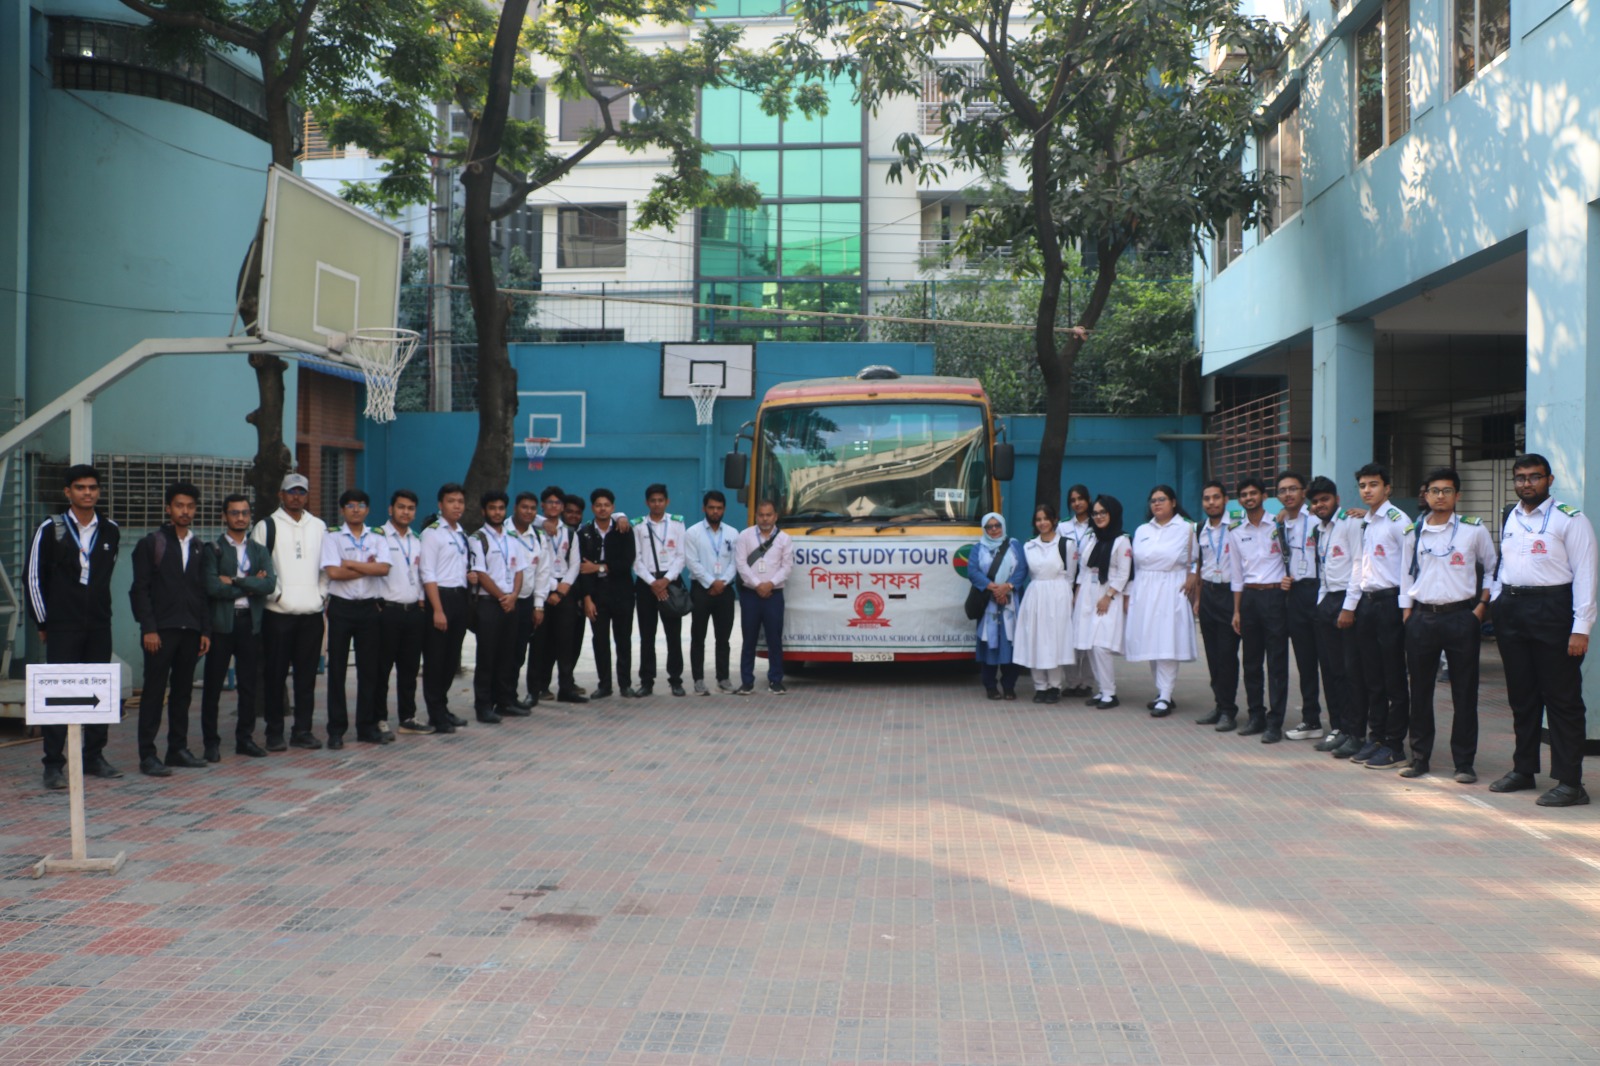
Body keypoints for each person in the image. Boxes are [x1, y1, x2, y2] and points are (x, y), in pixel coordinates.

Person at [1490, 453, 1597, 806]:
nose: (1527, 483)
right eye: (1520, 477)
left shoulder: (1571, 519)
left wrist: (1581, 628)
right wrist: (1497, 601)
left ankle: (1570, 783)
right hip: (1512, 610)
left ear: (1549, 480)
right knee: (1522, 697)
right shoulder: (1511, 516)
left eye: (1534, 477)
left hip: (1553, 611)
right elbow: (1503, 563)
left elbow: (1585, 575)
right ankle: (1523, 770)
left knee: (1562, 699)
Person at [25, 464, 123, 790]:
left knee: (99, 689)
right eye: (80, 487)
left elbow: (104, 575)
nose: (87, 492)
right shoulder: (50, 528)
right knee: (58, 692)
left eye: (92, 487)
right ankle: (53, 764)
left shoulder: (110, 529)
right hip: (62, 625)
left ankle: (94, 756)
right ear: (68, 492)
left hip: (98, 625)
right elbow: (33, 577)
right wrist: (44, 621)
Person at [1397, 467, 1497, 783]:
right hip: (1422, 618)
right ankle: (1420, 757)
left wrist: (1481, 608)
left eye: (1447, 490)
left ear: (1457, 495)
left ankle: (1464, 763)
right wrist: (1407, 613)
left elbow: (1493, 568)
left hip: (1461, 618)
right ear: (1425, 495)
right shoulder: (1413, 532)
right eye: (1435, 490)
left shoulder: (1473, 530)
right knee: (1420, 691)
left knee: (1464, 692)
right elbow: (1405, 574)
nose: (1440, 496)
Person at [129, 481, 213, 777]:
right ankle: (148, 755)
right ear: (168, 508)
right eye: (179, 505)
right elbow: (139, 590)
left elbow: (202, 592)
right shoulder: (152, 544)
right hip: (161, 632)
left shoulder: (200, 547)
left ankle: (177, 749)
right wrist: (148, 628)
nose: (185, 511)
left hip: (191, 631)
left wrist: (205, 631)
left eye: (190, 506)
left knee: (182, 693)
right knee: (154, 692)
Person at [1340, 463, 1410, 768]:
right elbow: (1359, 565)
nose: (1367, 490)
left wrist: (1406, 608)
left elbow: (1410, 567)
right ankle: (1377, 737)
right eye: (1363, 485)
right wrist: (1351, 604)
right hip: (1368, 604)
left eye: (1374, 484)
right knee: (1372, 678)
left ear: (1387, 488)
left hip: (1391, 603)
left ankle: (1395, 745)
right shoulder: (1366, 522)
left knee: (1393, 678)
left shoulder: (1397, 521)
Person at [254, 472, 328, 751]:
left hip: (311, 613)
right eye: (291, 491)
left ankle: (302, 730)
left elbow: (327, 568)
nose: (296, 497)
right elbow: (258, 568)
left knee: (306, 678)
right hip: (278, 614)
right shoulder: (266, 526)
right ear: (281, 495)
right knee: (275, 676)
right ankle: (274, 732)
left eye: (301, 492)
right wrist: (278, 595)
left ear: (307, 495)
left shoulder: (319, 526)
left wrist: (320, 595)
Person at [200, 494, 276, 760]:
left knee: (248, 685)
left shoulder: (259, 550)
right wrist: (251, 584)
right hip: (222, 625)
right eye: (234, 512)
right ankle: (211, 743)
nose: (240, 517)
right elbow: (212, 587)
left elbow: (269, 585)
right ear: (224, 516)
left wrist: (234, 580)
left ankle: (245, 739)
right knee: (212, 687)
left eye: (244, 513)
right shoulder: (213, 549)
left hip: (250, 624)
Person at [320, 489, 392, 748]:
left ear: (368, 510)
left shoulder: (377, 536)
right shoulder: (332, 536)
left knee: (369, 670)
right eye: (350, 505)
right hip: (341, 609)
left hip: (370, 609)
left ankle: (366, 727)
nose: (356, 510)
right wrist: (367, 568)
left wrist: (350, 563)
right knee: (337, 670)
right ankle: (336, 730)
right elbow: (333, 573)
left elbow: (383, 568)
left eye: (361, 505)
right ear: (342, 510)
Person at [1125, 485, 1197, 717]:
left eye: (1162, 499)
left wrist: (1192, 576)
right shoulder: (1143, 530)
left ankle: (1165, 695)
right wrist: (1131, 593)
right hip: (1145, 589)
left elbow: (1198, 559)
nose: (1157, 503)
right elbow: (1135, 565)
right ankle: (1161, 691)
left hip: (1171, 588)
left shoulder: (1187, 528)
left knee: (1167, 642)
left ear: (1173, 502)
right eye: (1153, 500)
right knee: (1152, 644)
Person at [1228, 477, 1289, 742]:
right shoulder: (1235, 531)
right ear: (1239, 500)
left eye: (1253, 493)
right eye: (1244, 495)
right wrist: (1237, 611)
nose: (1249, 498)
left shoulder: (1280, 523)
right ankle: (1256, 716)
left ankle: (1275, 722)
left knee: (1276, 662)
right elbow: (1236, 574)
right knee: (1251, 662)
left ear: (1264, 496)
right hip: (1250, 598)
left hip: (1275, 597)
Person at [469, 490, 539, 722]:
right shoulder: (478, 538)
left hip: (511, 603)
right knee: (487, 656)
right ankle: (483, 705)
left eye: (500, 508)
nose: (497, 512)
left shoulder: (511, 538)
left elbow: (520, 570)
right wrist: (502, 597)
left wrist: (514, 596)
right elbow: (481, 573)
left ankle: (504, 701)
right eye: (492, 508)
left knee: (507, 656)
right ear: (484, 511)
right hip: (489, 604)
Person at [1306, 477, 1360, 755]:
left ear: (1336, 499)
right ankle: (1338, 726)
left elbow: (1359, 565)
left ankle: (1354, 730)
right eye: (1315, 502)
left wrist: (1348, 607)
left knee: (1349, 671)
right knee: (1330, 669)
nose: (1320, 505)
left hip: (1347, 602)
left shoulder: (1351, 524)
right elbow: (1324, 568)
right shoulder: (1320, 530)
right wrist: (1321, 603)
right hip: (1327, 601)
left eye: (1324, 499)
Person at [374, 489, 431, 736]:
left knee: (409, 669)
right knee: (381, 669)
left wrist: (421, 605)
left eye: (410, 508)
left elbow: (421, 575)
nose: (405, 512)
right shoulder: (377, 536)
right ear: (391, 509)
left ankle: (407, 717)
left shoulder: (416, 540)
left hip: (413, 612)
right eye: (401, 507)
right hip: (387, 611)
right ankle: (379, 718)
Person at [420, 483, 472, 733]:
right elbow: (428, 572)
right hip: (440, 598)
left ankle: (443, 706)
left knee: (451, 658)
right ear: (440, 505)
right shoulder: (432, 533)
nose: (457, 506)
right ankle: (436, 713)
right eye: (451, 501)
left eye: (460, 501)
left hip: (459, 597)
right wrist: (438, 609)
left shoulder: (461, 532)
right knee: (436, 659)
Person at [1275, 471, 1323, 738]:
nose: (1288, 494)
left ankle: (1344, 724)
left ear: (1304, 492)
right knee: (1305, 663)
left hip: (1320, 592)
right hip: (1295, 594)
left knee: (1331, 662)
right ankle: (1311, 720)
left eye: (1293, 488)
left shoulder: (1318, 519)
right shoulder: (1281, 524)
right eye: (1283, 490)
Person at [579, 488, 639, 699]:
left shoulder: (624, 529)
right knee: (600, 640)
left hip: (622, 593)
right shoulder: (584, 532)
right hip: (597, 594)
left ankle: (625, 684)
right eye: (598, 505)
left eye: (606, 505)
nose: (602, 509)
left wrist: (599, 568)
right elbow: (582, 569)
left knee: (623, 640)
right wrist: (587, 598)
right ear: (592, 508)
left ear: (613, 507)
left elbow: (626, 562)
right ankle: (604, 685)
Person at [1074, 495, 1131, 709]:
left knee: (1101, 645)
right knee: (1089, 644)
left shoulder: (1122, 540)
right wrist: (1077, 594)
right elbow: (1084, 568)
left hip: (1108, 595)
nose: (1098, 517)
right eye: (1095, 513)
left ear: (1113, 513)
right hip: (1088, 594)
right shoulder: (1092, 537)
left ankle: (1110, 693)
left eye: (1103, 512)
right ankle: (1102, 690)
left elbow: (1124, 573)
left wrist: (1109, 596)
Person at [1193, 480, 1242, 731]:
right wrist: (1198, 600)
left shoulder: (1237, 524)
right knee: (1212, 656)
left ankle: (1229, 711)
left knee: (1227, 655)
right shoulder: (1200, 529)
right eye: (1207, 498)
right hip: (1208, 595)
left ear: (1225, 500)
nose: (1211, 502)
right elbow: (1200, 565)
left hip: (1230, 594)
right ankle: (1219, 705)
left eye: (1216, 497)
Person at [1013, 507, 1076, 702]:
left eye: (1046, 518)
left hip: (1058, 595)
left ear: (1055, 520)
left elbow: (1071, 575)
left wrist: (1067, 598)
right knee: (1035, 638)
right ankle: (1040, 686)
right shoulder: (1029, 545)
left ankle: (1054, 687)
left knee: (1055, 640)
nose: (1042, 523)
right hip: (1035, 595)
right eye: (1038, 519)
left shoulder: (1067, 544)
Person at [633, 484, 688, 697]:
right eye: (653, 501)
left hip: (670, 582)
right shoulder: (638, 525)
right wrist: (653, 583)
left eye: (660, 500)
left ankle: (676, 680)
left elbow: (681, 556)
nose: (657, 504)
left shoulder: (677, 523)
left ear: (667, 501)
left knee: (673, 635)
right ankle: (646, 682)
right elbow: (636, 560)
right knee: (647, 636)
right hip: (646, 584)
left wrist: (665, 581)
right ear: (647, 502)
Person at [734, 499, 793, 695]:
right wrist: (757, 584)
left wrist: (770, 584)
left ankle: (775, 680)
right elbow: (741, 564)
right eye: (761, 515)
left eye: (769, 515)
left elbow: (787, 567)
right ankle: (747, 682)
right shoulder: (745, 536)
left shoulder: (784, 539)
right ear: (756, 516)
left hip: (774, 594)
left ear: (775, 516)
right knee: (748, 639)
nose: (765, 519)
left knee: (774, 639)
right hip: (751, 594)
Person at [685, 490, 741, 694]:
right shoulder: (693, 532)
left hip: (725, 591)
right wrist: (711, 582)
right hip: (701, 590)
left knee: (723, 638)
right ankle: (698, 680)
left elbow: (736, 562)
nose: (715, 511)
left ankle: (723, 678)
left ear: (724, 509)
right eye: (711, 508)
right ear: (704, 509)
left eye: (719, 508)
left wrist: (722, 582)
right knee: (698, 637)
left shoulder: (733, 533)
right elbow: (692, 562)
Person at [508, 491, 547, 708]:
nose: (528, 512)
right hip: (503, 601)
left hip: (526, 602)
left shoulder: (538, 537)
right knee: (502, 652)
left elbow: (542, 572)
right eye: (524, 507)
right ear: (515, 508)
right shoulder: (502, 532)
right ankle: (496, 698)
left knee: (518, 653)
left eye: (533, 508)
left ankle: (510, 697)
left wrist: (538, 605)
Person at [1058, 484, 1096, 697]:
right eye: (1073, 500)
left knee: (1089, 633)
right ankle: (1072, 682)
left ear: (1088, 500)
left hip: (1090, 583)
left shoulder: (1097, 523)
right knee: (1069, 633)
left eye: (1081, 498)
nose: (1077, 503)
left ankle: (1088, 682)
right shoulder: (1063, 526)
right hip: (1067, 582)